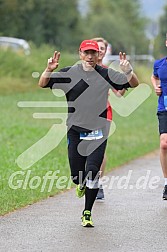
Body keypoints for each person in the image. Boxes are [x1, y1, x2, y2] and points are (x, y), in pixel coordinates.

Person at [38, 39, 139, 227]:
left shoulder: (106, 74)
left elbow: (133, 83)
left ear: (99, 55)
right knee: (77, 176)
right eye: (87, 53)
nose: (90, 57)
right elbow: (43, 84)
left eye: (94, 53)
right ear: (80, 54)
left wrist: (128, 71)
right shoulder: (69, 73)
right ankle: (80, 183)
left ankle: (87, 212)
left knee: (93, 172)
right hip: (75, 131)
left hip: (98, 130)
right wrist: (49, 69)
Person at [91, 37, 125, 200]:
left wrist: (125, 80)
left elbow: (119, 94)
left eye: (103, 48)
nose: (100, 51)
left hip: (104, 114)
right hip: (82, 115)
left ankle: (97, 183)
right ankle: (87, 179)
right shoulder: (81, 70)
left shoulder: (107, 72)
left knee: (99, 149)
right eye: (97, 48)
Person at [151, 46, 167, 200]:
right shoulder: (159, 64)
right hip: (164, 108)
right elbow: (154, 76)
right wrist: (156, 86)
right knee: (164, 143)